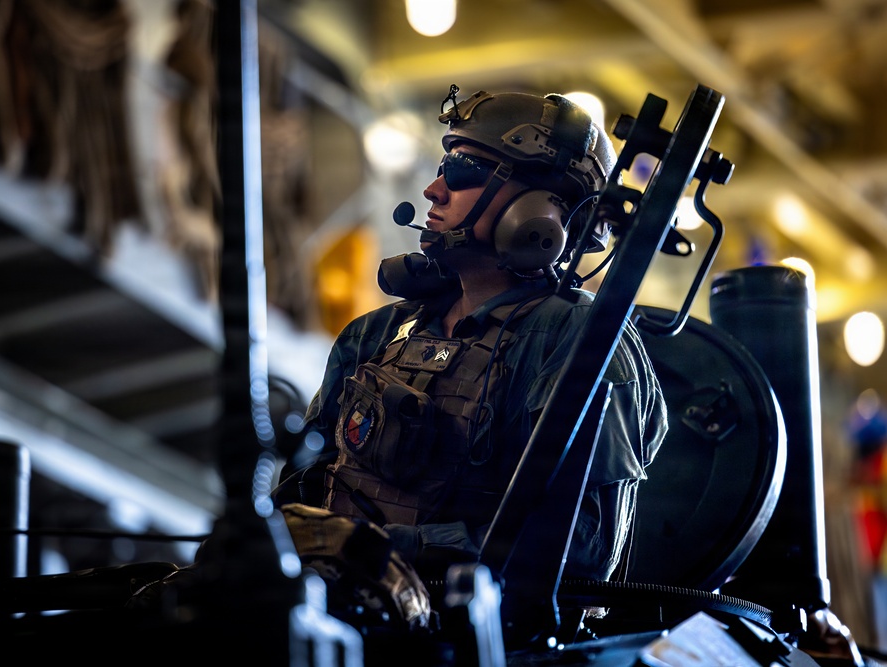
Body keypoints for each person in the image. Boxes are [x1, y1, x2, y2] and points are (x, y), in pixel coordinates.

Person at [274, 86, 668, 598]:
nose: (435, 189)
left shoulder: (577, 340)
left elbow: (587, 547)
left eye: (463, 171)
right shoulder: (376, 334)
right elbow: (300, 489)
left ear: (539, 210)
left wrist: (391, 547)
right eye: (444, 166)